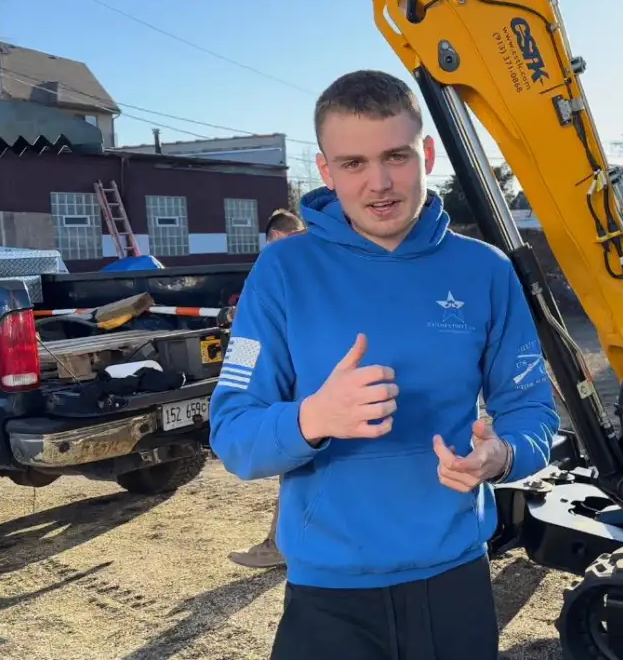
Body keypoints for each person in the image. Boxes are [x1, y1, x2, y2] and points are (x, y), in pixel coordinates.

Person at [209, 68, 558, 660]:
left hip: (455, 582)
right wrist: (312, 418)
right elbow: (233, 434)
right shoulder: (284, 271)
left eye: (395, 156)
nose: (379, 183)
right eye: (352, 164)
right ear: (325, 170)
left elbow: (531, 411)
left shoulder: (486, 271)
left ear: (425, 153)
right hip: (329, 592)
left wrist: (502, 456)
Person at [226, 208, 306, 569]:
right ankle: (279, 542)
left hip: (293, 390)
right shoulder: (307, 267)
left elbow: (246, 353)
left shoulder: (282, 266)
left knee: (297, 464)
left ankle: (279, 544)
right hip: (296, 387)